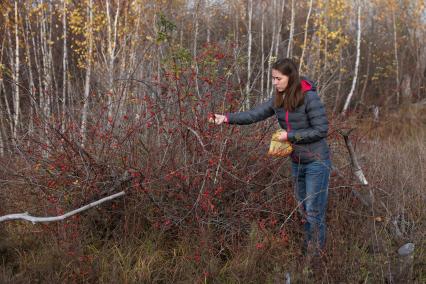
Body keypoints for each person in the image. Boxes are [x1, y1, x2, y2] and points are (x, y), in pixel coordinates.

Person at [208, 58, 331, 257]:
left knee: (314, 211)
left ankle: (314, 258)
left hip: (317, 161)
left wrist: (290, 136)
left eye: (278, 79)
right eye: (273, 78)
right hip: (297, 162)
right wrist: (227, 118)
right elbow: (254, 114)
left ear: (291, 78)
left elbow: (321, 130)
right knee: (304, 211)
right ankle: (309, 250)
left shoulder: (309, 98)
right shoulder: (278, 100)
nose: (274, 83)